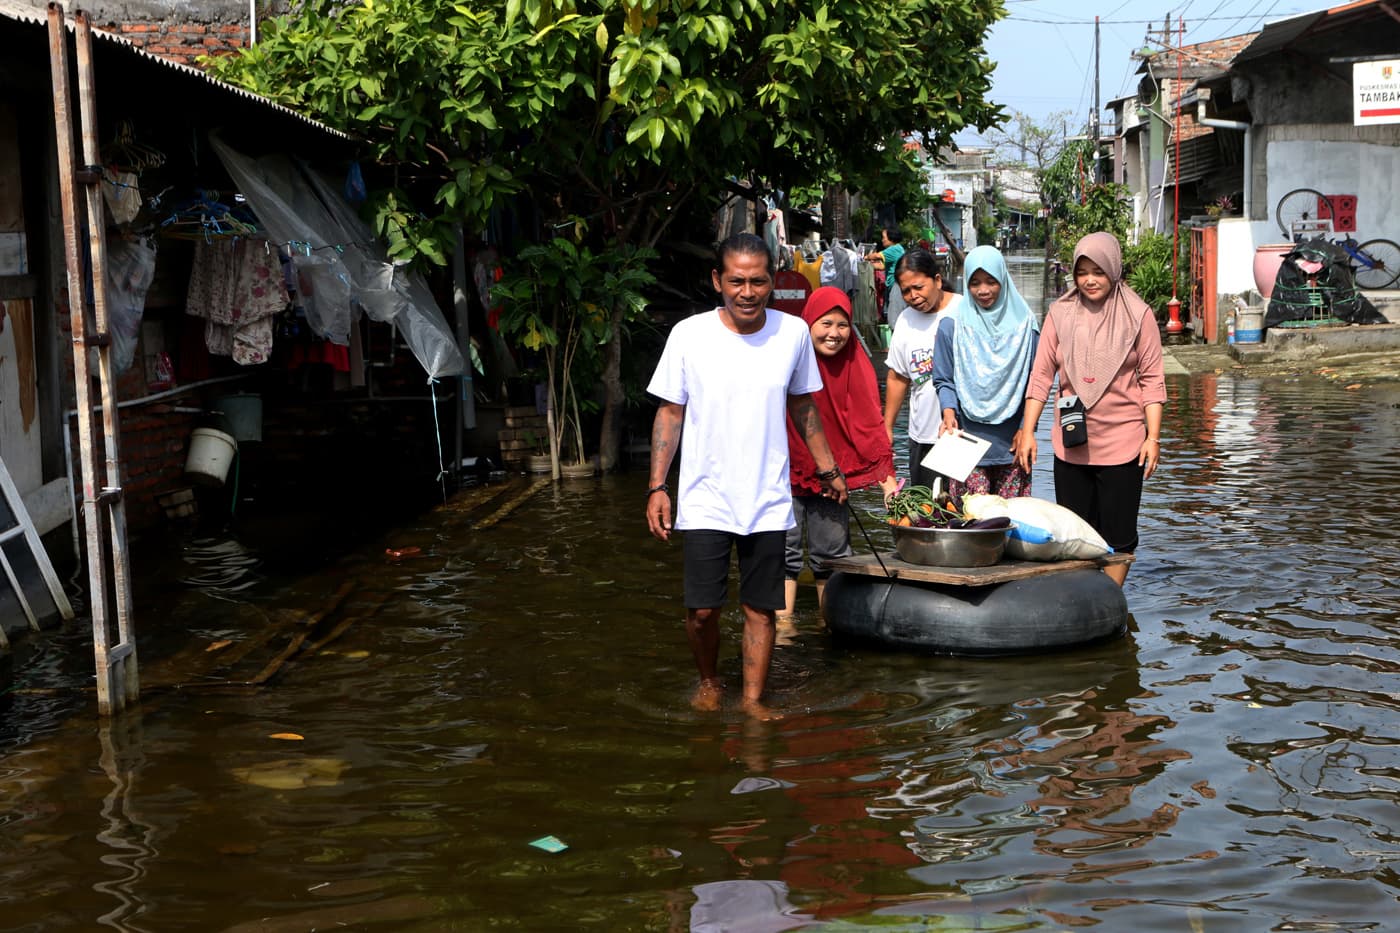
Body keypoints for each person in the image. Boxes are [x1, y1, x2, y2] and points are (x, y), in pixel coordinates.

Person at [646, 233, 848, 717]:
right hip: (704, 496)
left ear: (771, 283)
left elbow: (802, 406)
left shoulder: (793, 334)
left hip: (766, 495)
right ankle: (711, 680)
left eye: (758, 281)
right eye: (736, 280)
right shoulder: (689, 335)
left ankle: (754, 701)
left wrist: (829, 469)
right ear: (718, 280)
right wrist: (657, 486)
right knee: (701, 612)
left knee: (762, 608)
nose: (747, 292)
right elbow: (670, 414)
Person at [1011, 232, 1166, 586]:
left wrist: (1153, 437)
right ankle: (1083, 600)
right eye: (1082, 272)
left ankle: (1110, 599)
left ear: (1114, 269)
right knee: (1075, 535)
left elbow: (1152, 381)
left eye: (1099, 270)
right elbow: (1040, 377)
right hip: (1072, 442)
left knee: (1121, 534)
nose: (1090, 280)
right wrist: (1028, 431)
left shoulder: (1138, 315)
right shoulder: (1060, 314)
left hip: (1124, 442)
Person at [780, 286, 899, 621]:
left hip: (835, 477)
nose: (834, 334)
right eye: (825, 323)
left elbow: (869, 425)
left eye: (842, 325)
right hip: (785, 468)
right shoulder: (789, 358)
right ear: (808, 323)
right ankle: (783, 627)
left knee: (830, 553)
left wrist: (888, 483)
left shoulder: (855, 364)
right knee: (782, 552)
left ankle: (827, 622)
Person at [930, 245, 1039, 498]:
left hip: (1013, 444)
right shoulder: (952, 326)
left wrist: (1026, 428)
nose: (983, 290)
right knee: (969, 522)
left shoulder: (1026, 327)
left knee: (1012, 523)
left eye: (991, 281)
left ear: (1003, 279)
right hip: (966, 440)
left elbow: (1037, 382)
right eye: (974, 283)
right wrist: (948, 412)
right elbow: (944, 378)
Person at [883, 248, 962, 491]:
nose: (913, 296)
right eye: (906, 291)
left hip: (963, 435)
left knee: (968, 514)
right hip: (923, 435)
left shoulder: (964, 310)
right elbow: (898, 378)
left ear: (937, 280)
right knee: (929, 513)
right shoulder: (906, 321)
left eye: (919, 287)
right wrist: (887, 427)